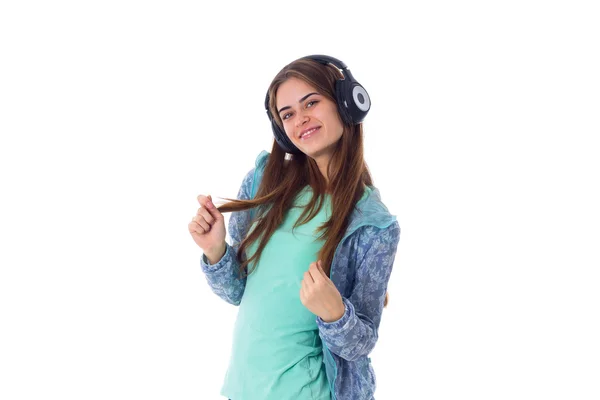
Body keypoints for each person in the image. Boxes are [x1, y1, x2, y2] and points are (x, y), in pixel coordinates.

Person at [188, 55, 401, 400]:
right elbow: (237, 292)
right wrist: (215, 249)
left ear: (347, 104)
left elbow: (362, 342)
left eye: (311, 103)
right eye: (287, 114)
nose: (300, 119)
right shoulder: (263, 183)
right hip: (243, 389)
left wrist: (335, 312)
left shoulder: (372, 224)